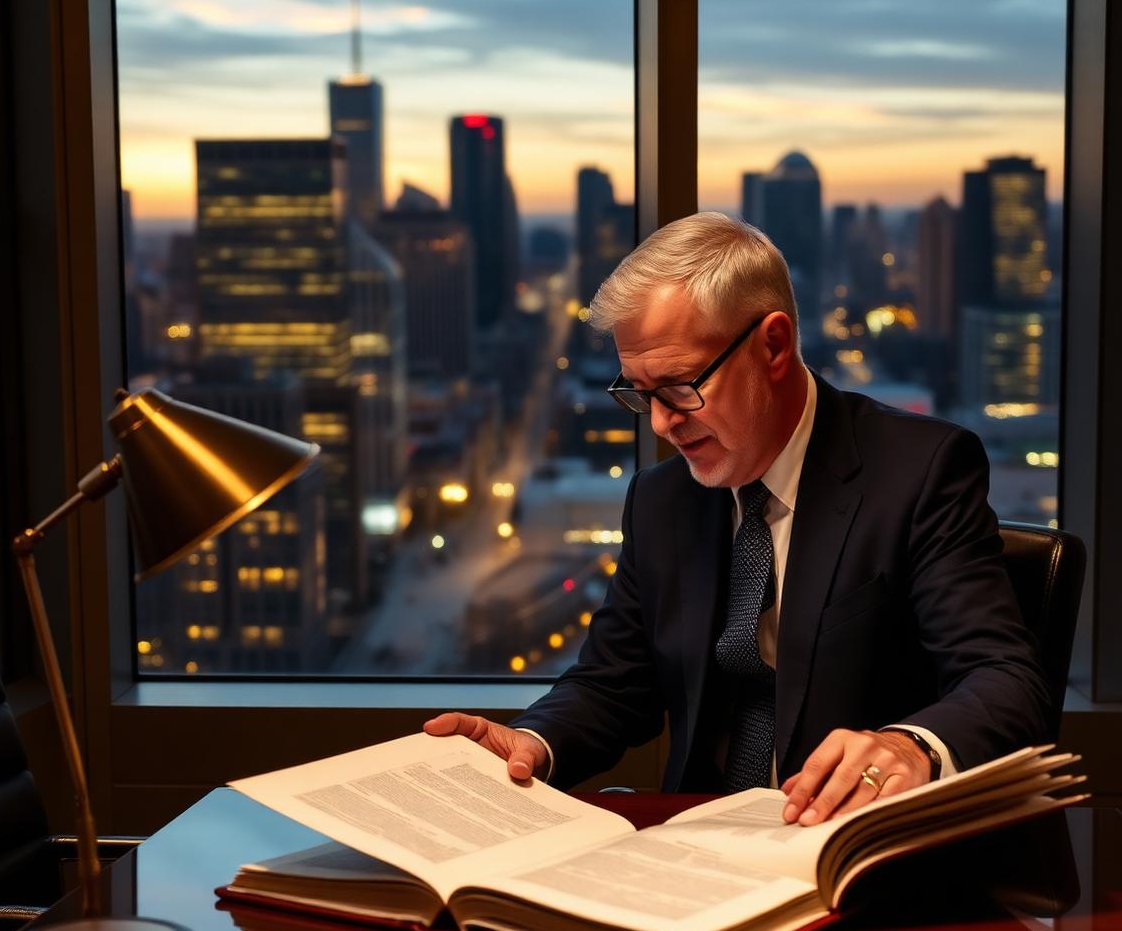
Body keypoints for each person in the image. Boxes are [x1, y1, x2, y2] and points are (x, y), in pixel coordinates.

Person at [425, 213, 1049, 825]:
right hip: (694, 850)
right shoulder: (661, 499)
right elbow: (613, 683)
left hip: (853, 847)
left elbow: (1006, 681)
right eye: (639, 394)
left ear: (772, 346)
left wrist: (906, 747)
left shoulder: (921, 470)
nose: (664, 423)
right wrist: (532, 742)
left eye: (678, 386)